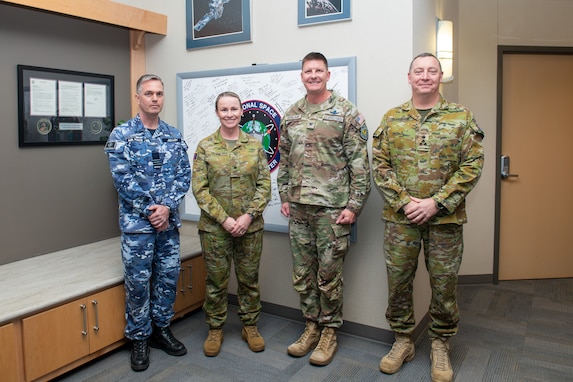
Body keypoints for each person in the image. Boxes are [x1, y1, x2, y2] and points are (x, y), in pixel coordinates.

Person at [372, 53, 484, 382]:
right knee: (398, 283)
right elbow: (380, 166)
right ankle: (403, 340)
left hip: (445, 222)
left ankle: (440, 344)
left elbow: (472, 166)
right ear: (409, 77)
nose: (425, 76)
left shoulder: (461, 117)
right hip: (400, 220)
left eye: (431, 71)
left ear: (441, 76)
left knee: (444, 285)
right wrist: (406, 202)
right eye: (418, 71)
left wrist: (437, 202)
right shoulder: (392, 119)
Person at [277, 52, 371, 366]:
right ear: (302, 75)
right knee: (303, 275)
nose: (313, 75)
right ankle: (311, 326)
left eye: (319, 70)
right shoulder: (291, 114)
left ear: (328, 75)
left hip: (332, 211)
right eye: (308, 71)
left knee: (328, 276)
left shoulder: (346, 112)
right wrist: (285, 197)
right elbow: (284, 160)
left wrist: (355, 206)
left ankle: (329, 331)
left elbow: (360, 164)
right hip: (300, 210)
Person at [104, 74, 191, 372]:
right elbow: (122, 179)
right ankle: (139, 337)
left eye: (159, 94)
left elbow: (184, 176)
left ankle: (161, 330)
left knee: (167, 278)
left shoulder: (174, 135)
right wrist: (150, 209)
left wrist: (166, 208)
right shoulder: (122, 135)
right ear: (138, 97)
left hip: (167, 226)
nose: (155, 98)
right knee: (139, 283)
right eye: (149, 93)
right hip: (137, 227)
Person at [192, 91, 271, 357]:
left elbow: (264, 185)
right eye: (224, 110)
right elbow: (200, 189)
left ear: (241, 112)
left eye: (234, 109)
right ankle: (215, 328)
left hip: (250, 228)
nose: (229, 114)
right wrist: (225, 219)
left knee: (249, 280)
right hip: (215, 229)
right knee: (216, 281)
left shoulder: (254, 146)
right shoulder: (205, 147)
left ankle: (250, 325)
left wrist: (248, 216)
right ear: (217, 113)